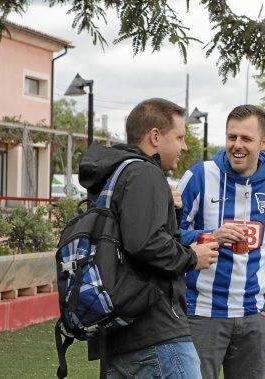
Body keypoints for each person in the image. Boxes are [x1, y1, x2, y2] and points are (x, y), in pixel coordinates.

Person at [78, 98, 219, 378]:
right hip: (154, 330)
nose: (184, 146)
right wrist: (192, 257)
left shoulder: (115, 173)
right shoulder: (145, 173)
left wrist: (172, 211)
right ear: (155, 136)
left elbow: (132, 239)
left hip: (118, 329)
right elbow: (145, 243)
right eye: (179, 137)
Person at [178, 104, 265, 379]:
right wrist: (209, 236)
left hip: (256, 316)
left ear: (263, 142)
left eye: (246, 138)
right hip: (201, 313)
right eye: (232, 137)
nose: (237, 145)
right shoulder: (199, 175)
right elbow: (166, 236)